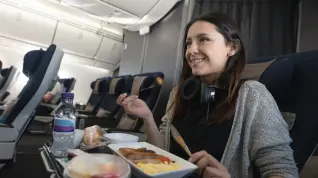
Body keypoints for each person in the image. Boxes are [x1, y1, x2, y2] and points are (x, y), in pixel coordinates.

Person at [117, 12, 298, 178]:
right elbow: (164, 154)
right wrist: (148, 117)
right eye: (188, 43)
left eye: (203, 39)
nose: (191, 50)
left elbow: (283, 171)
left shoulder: (253, 95)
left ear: (232, 48)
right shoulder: (179, 94)